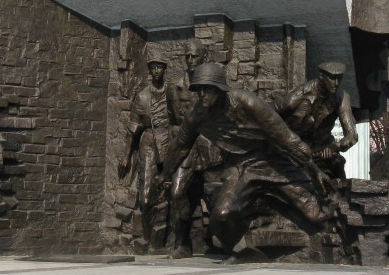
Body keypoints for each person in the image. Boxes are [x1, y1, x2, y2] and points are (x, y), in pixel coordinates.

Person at [165, 62, 332, 261]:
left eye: (207, 89)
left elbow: (287, 138)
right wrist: (163, 175)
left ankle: (266, 209)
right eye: (198, 89)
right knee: (220, 217)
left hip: (271, 162)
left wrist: (314, 170)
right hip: (239, 167)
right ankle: (242, 251)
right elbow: (179, 147)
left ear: (219, 89)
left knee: (315, 215)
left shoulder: (246, 102)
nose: (202, 94)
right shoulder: (196, 116)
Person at [168, 39, 221, 258]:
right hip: (186, 148)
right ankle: (182, 242)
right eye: (187, 56)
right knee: (177, 193)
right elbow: (172, 119)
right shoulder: (175, 87)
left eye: (194, 56)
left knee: (215, 195)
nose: (190, 60)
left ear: (204, 57)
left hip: (208, 146)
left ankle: (223, 239)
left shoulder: (213, 84)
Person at [122, 47, 176, 251]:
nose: (156, 71)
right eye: (152, 68)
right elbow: (133, 128)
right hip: (148, 143)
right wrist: (126, 155)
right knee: (145, 196)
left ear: (164, 69)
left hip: (169, 141)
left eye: (159, 67)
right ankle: (146, 237)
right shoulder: (142, 97)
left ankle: (164, 240)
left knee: (173, 192)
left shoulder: (172, 93)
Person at [275, 61, 358, 182]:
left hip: (320, 151)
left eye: (339, 79)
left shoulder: (342, 97)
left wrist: (335, 146)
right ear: (321, 76)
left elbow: (352, 135)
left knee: (337, 168)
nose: (336, 83)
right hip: (295, 151)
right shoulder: (302, 93)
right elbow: (273, 110)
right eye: (332, 78)